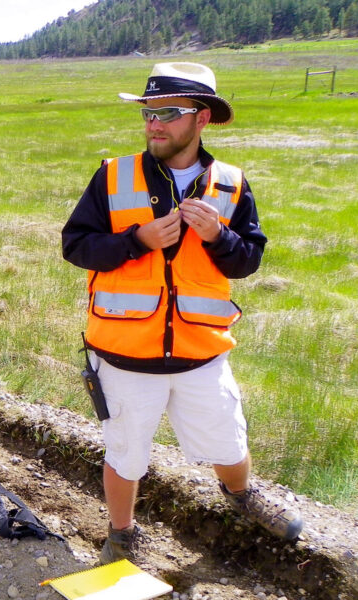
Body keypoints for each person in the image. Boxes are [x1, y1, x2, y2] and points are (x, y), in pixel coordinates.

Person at [60, 62, 303, 563]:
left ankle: (241, 497)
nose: (154, 123)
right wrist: (136, 241)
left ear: (202, 118)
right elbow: (76, 246)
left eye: (168, 112)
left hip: (201, 352)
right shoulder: (113, 175)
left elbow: (248, 261)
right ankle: (122, 535)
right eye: (148, 112)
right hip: (125, 353)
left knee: (229, 443)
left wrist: (219, 236)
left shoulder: (231, 184)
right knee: (126, 454)